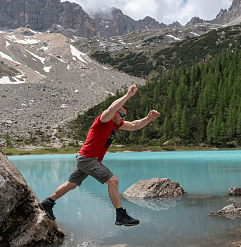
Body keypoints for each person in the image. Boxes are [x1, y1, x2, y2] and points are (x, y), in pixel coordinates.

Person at [39, 84, 161, 226]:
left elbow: (134, 126)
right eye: (120, 114)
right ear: (115, 112)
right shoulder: (103, 121)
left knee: (70, 185)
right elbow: (110, 109)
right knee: (113, 181)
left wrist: (148, 119)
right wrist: (128, 96)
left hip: (85, 159)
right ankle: (120, 215)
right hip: (88, 159)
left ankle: (47, 202)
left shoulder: (117, 124)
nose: (122, 117)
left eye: (124, 116)